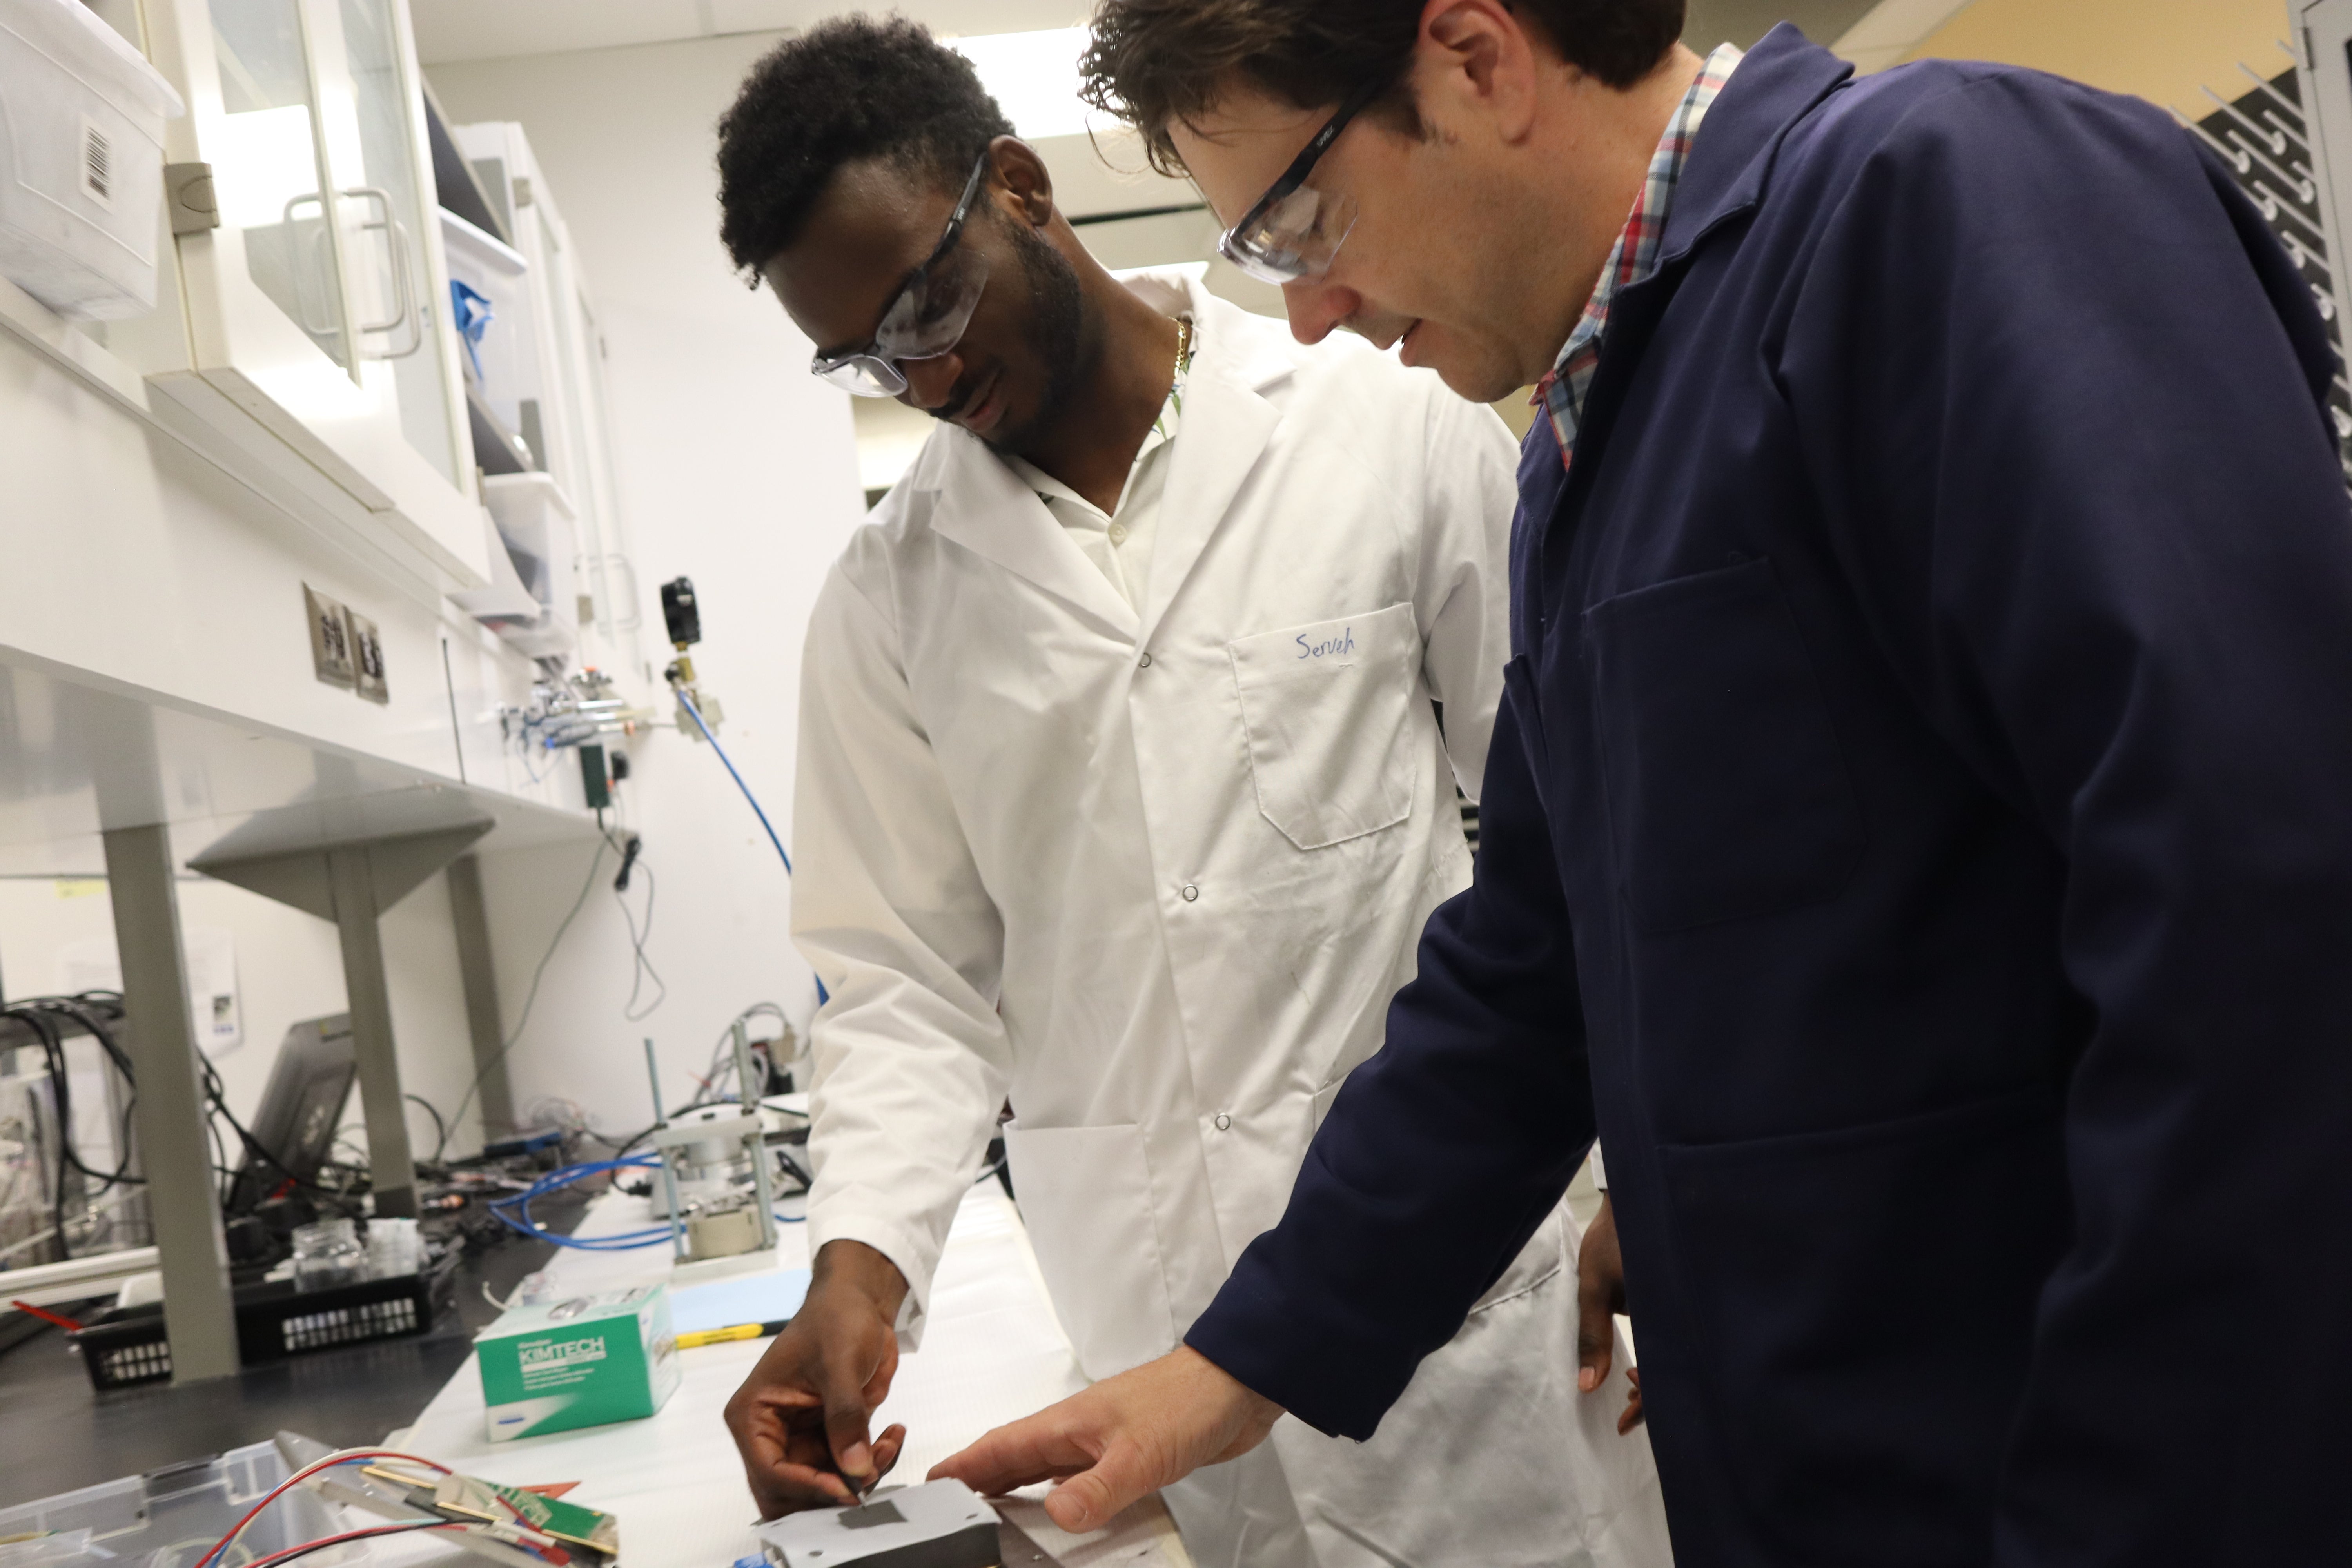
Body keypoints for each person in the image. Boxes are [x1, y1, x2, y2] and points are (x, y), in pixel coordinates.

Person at [933, 2, 2352, 1562]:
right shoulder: (1586, 449)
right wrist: (1234, 1365)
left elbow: (2262, 924)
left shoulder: (1948, 197)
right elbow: (1535, 975)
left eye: (1301, 219)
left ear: (1475, 62)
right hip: (1812, 1471)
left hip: (2063, 1471)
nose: (1317, 310)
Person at [711, 18, 1673, 1568]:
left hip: (1475, 1318)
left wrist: (1651, 1167)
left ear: (1019, 189)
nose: (928, 373)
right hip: (1162, 1349)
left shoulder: (1383, 416)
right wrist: (857, 1271)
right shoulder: (891, 605)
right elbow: (909, 988)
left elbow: (1600, 835)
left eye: (931, 304)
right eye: (869, 357)